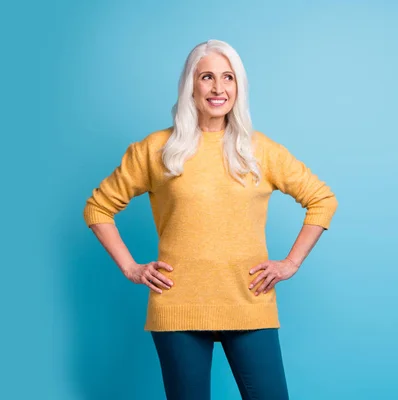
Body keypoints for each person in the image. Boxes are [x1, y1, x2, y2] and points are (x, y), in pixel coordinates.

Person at [82, 39, 339, 399]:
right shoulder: (156, 150)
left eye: (228, 77)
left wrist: (290, 263)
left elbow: (322, 199)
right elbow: (98, 208)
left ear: (239, 86)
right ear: (191, 84)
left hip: (249, 302)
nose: (219, 88)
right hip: (178, 306)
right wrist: (131, 268)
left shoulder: (259, 150)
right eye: (207, 77)